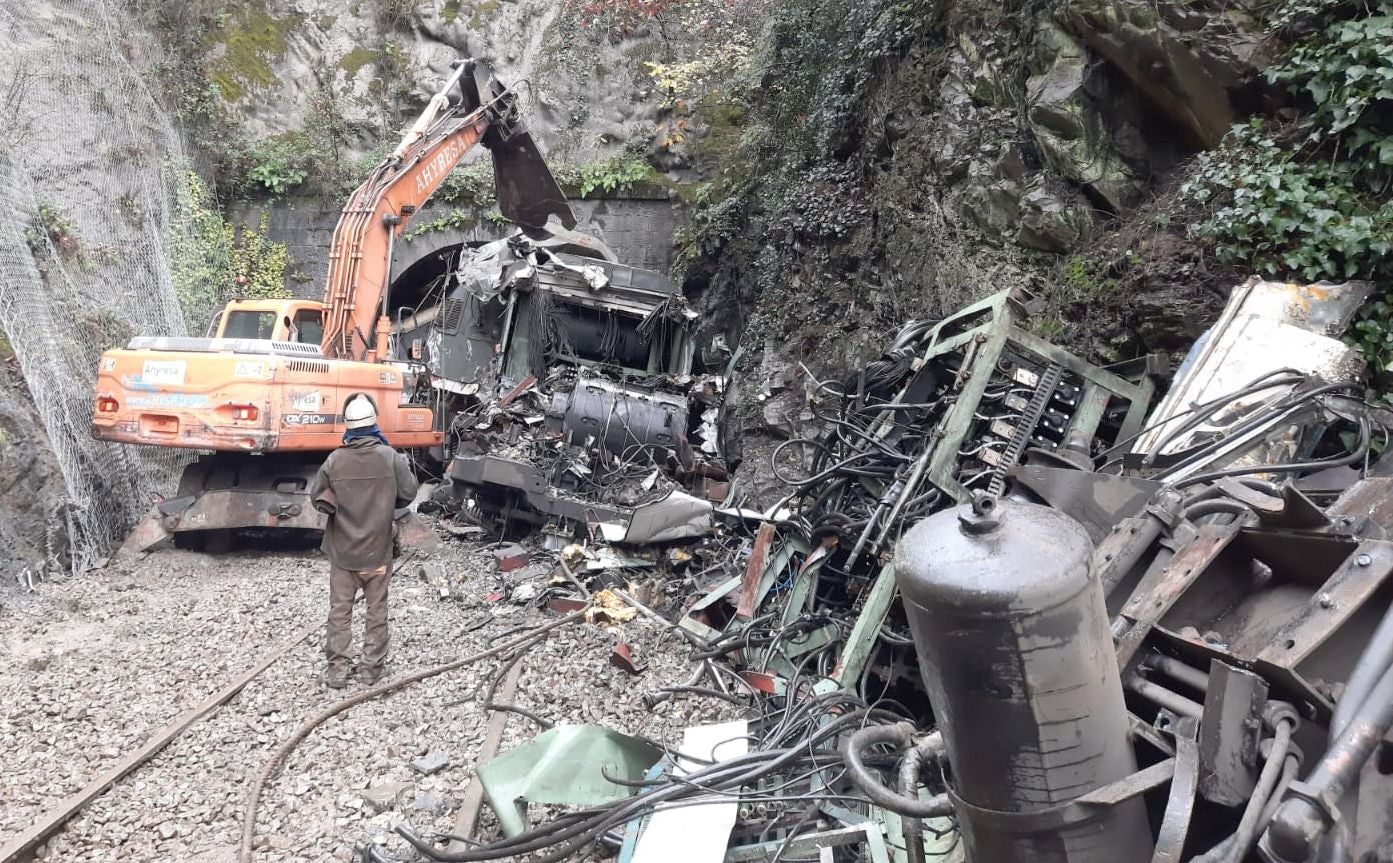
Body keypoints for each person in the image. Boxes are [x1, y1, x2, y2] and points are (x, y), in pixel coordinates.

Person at [309, 396, 419, 688]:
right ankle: (371, 670)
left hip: (344, 555)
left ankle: (337, 672)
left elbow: (317, 498)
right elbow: (408, 493)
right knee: (376, 611)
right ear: (373, 423)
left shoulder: (335, 460)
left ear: (349, 426)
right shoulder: (389, 457)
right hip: (377, 554)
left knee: (340, 612)